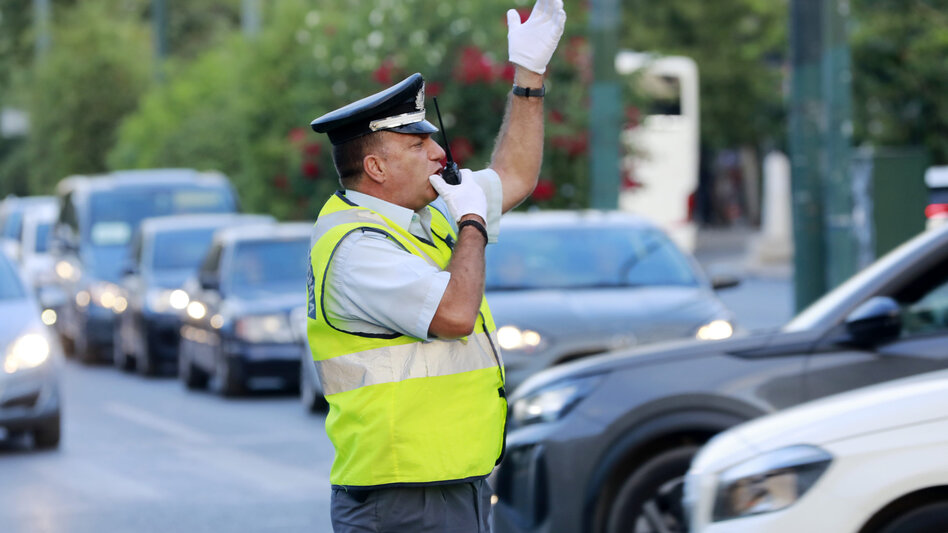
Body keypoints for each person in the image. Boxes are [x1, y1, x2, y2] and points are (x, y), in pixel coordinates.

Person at [306, 1, 565, 531]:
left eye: (432, 137)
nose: (438, 152)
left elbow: (514, 175)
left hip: (455, 482)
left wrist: (529, 76)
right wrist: (472, 220)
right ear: (375, 167)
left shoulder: (427, 215)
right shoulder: (357, 246)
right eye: (417, 142)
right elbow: (453, 315)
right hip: (401, 497)